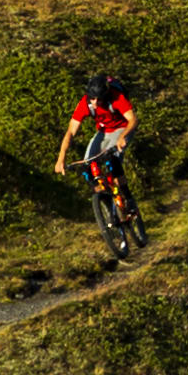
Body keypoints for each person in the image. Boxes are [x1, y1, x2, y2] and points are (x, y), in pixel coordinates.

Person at [57, 75, 142, 250]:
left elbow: (133, 120)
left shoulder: (116, 97)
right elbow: (71, 131)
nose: (95, 102)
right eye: (92, 98)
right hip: (103, 133)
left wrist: (123, 137)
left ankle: (127, 199)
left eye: (99, 99)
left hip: (122, 129)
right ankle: (105, 204)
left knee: (114, 161)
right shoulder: (85, 103)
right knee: (88, 165)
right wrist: (61, 158)